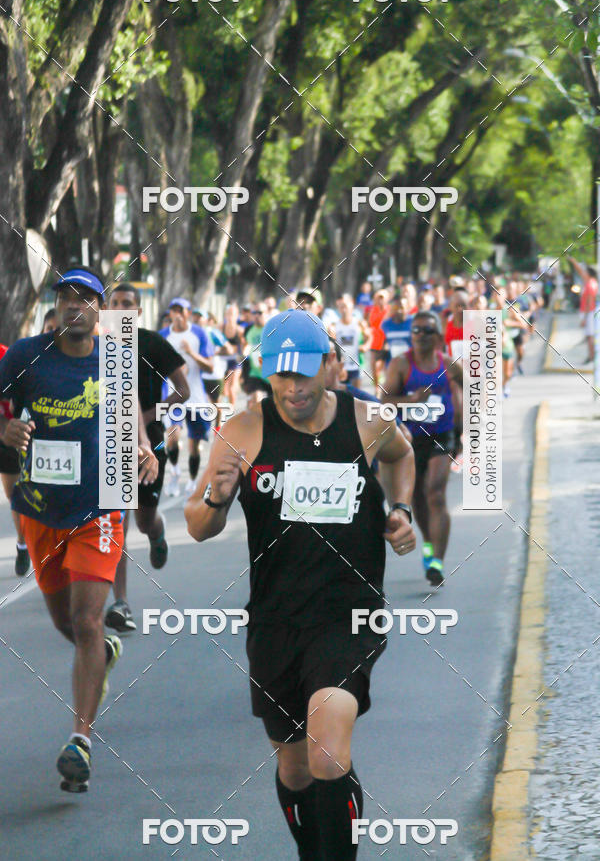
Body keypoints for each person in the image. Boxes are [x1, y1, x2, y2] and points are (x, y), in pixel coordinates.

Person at [185, 309, 415, 861]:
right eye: (281, 376)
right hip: (275, 619)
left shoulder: (368, 420)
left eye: (304, 374)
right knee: (294, 768)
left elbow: (403, 454)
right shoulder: (243, 430)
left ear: (331, 365)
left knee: (326, 754)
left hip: (348, 615)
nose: (293, 389)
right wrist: (216, 498)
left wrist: (402, 509)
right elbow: (198, 525)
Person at [0, 266, 158, 792]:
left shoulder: (115, 356)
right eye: (66, 297)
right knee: (67, 623)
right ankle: (104, 653)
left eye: (85, 298)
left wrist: (144, 447)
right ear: (56, 307)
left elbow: (129, 414)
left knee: (88, 620)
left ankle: (80, 741)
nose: (74, 306)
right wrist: (6, 428)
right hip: (40, 507)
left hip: (99, 507)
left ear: (99, 308)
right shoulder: (25, 356)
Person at [104, 283, 189, 633]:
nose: (121, 307)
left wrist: (151, 414)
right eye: (115, 302)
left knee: (143, 520)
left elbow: (183, 390)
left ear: (138, 311)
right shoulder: (97, 346)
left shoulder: (153, 343)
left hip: (149, 441)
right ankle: (121, 603)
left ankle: (157, 533)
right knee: (116, 521)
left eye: (127, 303)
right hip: (110, 442)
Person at [382, 310, 462, 585]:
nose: (420, 335)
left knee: (435, 492)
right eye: (416, 330)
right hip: (411, 438)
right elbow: (384, 402)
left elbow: (474, 388)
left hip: (443, 434)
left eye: (427, 330)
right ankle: (429, 542)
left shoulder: (448, 364)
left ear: (438, 336)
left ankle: (437, 561)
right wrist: (412, 400)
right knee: (417, 497)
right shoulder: (401, 364)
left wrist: (464, 421)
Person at [160, 298, 215, 496]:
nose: (177, 314)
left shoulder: (199, 334)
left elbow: (210, 367)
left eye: (181, 310)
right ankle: (174, 470)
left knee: (194, 446)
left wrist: (191, 353)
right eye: (174, 310)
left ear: (188, 313)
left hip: (196, 397)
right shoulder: (163, 336)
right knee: (173, 437)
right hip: (173, 395)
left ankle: (191, 481)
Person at [0, 342, 30, 575]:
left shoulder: (7, 355)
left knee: (16, 494)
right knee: (14, 495)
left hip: (10, 432)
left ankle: (24, 544)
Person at [567, 256, 598, 364]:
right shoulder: (591, 282)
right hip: (588, 313)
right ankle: (591, 355)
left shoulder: (590, 285)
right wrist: (573, 261)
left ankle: (591, 356)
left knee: (590, 336)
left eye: (585, 272)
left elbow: (589, 303)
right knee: (589, 335)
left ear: (589, 274)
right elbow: (580, 272)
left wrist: (584, 318)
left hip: (589, 313)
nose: (583, 273)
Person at [241, 303, 272, 405]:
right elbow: (245, 346)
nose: (257, 315)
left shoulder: (273, 328)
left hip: (272, 374)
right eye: (254, 313)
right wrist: (243, 354)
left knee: (274, 406)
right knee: (257, 401)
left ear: (267, 313)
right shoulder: (248, 329)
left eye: (260, 312)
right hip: (255, 373)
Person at [333, 295, 364, 387]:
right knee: (343, 393)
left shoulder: (358, 323)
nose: (344, 310)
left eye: (345, 306)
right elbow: (332, 345)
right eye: (341, 307)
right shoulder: (334, 326)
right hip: (342, 367)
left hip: (355, 366)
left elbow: (370, 335)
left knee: (357, 393)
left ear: (352, 307)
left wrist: (365, 346)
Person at [380, 293, 413, 365]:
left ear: (407, 308)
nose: (398, 310)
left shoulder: (414, 322)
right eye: (396, 307)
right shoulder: (385, 324)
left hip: (410, 365)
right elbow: (381, 346)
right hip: (391, 365)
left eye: (402, 307)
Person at [368, 289, 389, 389]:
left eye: (382, 298)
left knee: (385, 367)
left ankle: (386, 387)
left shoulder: (389, 310)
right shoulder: (373, 310)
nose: (380, 300)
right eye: (378, 298)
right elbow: (372, 324)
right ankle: (377, 388)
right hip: (375, 342)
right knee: (374, 367)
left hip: (386, 342)